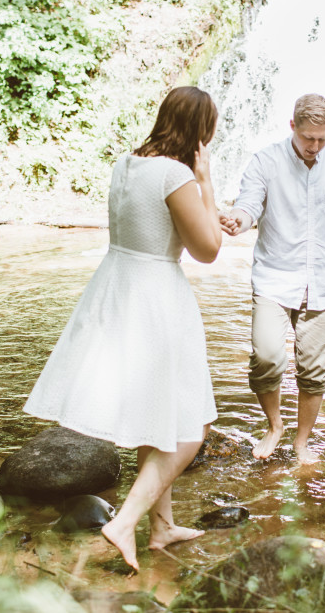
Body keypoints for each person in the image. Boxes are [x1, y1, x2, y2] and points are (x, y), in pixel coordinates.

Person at [23, 86, 223, 572]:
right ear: (200, 131)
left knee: (159, 417)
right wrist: (207, 183)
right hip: (156, 298)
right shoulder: (177, 175)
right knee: (191, 427)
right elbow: (209, 248)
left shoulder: (126, 164)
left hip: (117, 287)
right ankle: (126, 520)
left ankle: (163, 526)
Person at [220, 93, 325, 465]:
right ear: (292, 127)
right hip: (274, 278)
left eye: (322, 138)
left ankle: (302, 442)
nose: (315, 146)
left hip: (324, 282)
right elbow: (249, 204)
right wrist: (237, 221)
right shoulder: (266, 161)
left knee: (314, 370)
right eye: (308, 138)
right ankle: (275, 425)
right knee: (266, 358)